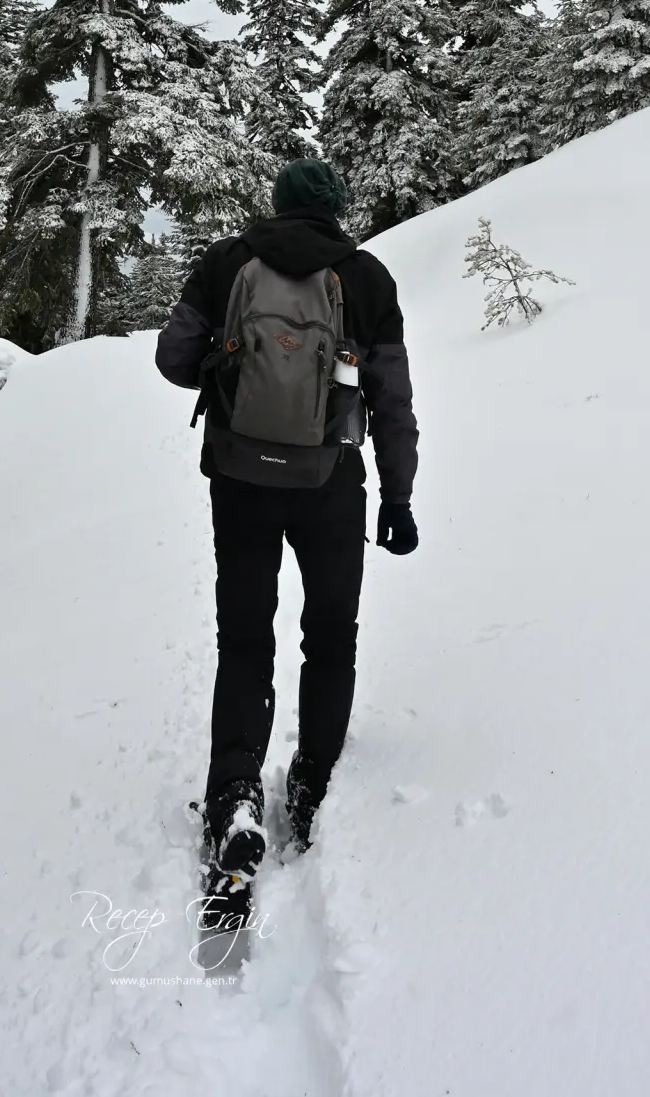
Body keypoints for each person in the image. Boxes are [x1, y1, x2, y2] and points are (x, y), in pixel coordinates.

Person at [155, 157, 420, 875]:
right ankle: (312, 782)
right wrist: (398, 497)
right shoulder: (366, 278)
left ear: (277, 203)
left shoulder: (226, 262)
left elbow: (173, 359)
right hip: (331, 480)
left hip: (238, 476)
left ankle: (236, 792)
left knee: (244, 636)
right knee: (331, 634)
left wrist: (228, 358)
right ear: (335, 207)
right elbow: (391, 399)